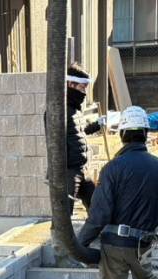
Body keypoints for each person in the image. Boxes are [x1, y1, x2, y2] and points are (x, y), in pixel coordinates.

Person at [77, 105, 158, 279]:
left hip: (116, 246)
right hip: (143, 243)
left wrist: (79, 243)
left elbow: (99, 215)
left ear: (122, 134)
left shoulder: (113, 168)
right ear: (146, 133)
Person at [65, 63, 103, 214]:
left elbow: (80, 132)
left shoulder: (75, 111)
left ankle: (96, 227)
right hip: (68, 172)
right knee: (64, 214)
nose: (84, 93)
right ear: (70, 84)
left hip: (82, 169)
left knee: (96, 206)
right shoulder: (59, 112)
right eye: (82, 88)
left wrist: (97, 125)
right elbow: (54, 145)